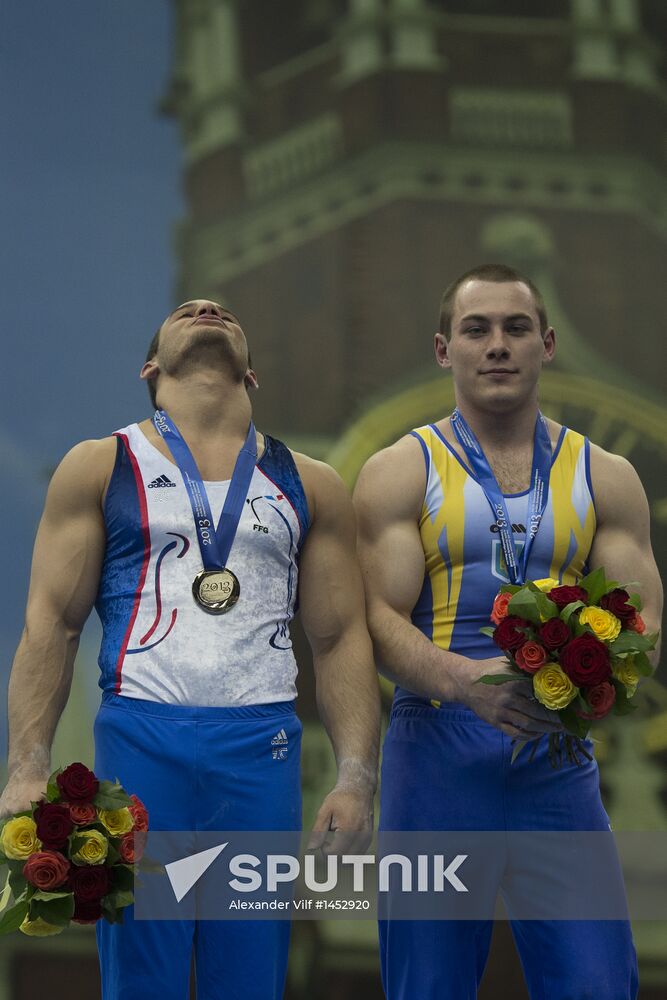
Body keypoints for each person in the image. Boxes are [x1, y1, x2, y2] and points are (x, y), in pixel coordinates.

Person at [0, 299, 380, 999]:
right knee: (142, 976)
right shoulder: (99, 467)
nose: (208, 307)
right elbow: (51, 624)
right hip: (142, 741)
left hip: (259, 750)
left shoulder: (311, 483)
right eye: (188, 310)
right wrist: (27, 766)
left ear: (252, 373)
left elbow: (338, 639)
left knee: (250, 978)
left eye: (225, 312)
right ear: (151, 367)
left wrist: (356, 776)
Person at [353, 264, 663, 1000]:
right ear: (443, 350)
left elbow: (643, 628)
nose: (497, 346)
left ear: (546, 343)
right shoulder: (400, 470)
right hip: (435, 756)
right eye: (476, 329)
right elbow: (372, 620)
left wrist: (595, 684)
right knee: (426, 987)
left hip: (554, 762)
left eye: (515, 328)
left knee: (596, 985)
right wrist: (464, 683)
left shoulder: (605, 475)